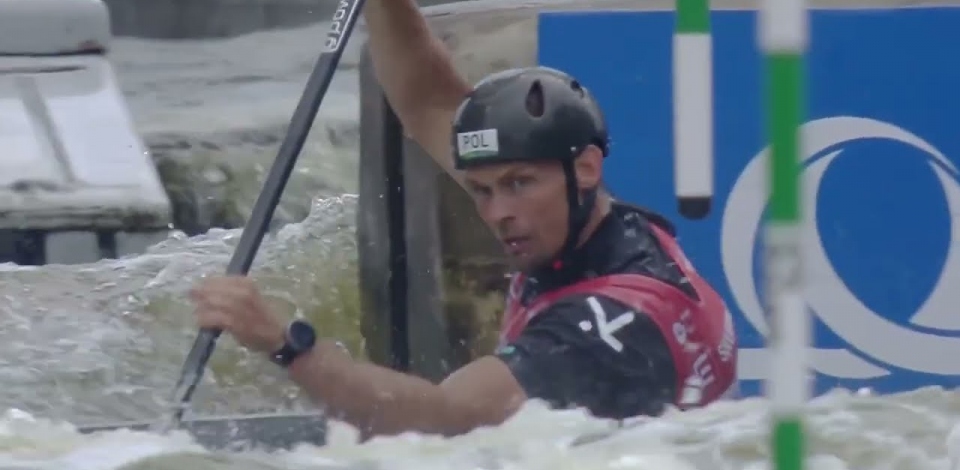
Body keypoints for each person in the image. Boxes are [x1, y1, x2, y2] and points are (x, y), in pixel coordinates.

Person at [190, 0, 738, 440]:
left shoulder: (599, 334)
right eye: (481, 190)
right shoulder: (594, 223)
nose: (498, 213)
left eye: (519, 184)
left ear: (588, 168)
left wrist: (287, 346)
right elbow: (428, 101)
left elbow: (442, 419)